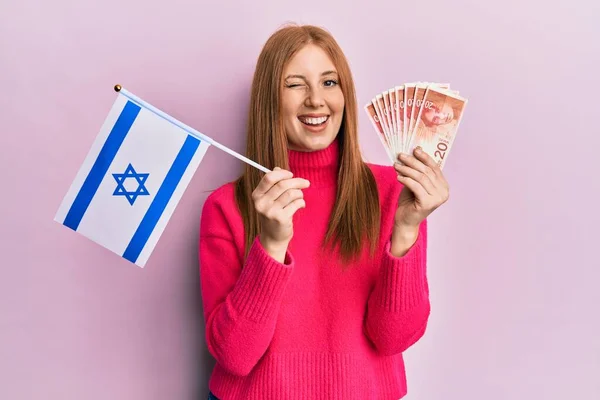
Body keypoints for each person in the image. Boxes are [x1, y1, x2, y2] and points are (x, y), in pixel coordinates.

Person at [199, 23, 450, 400]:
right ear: (270, 100)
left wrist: (406, 230)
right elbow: (235, 356)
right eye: (295, 84)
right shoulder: (226, 207)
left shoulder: (394, 195)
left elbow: (394, 337)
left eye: (329, 82)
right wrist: (269, 247)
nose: (316, 100)